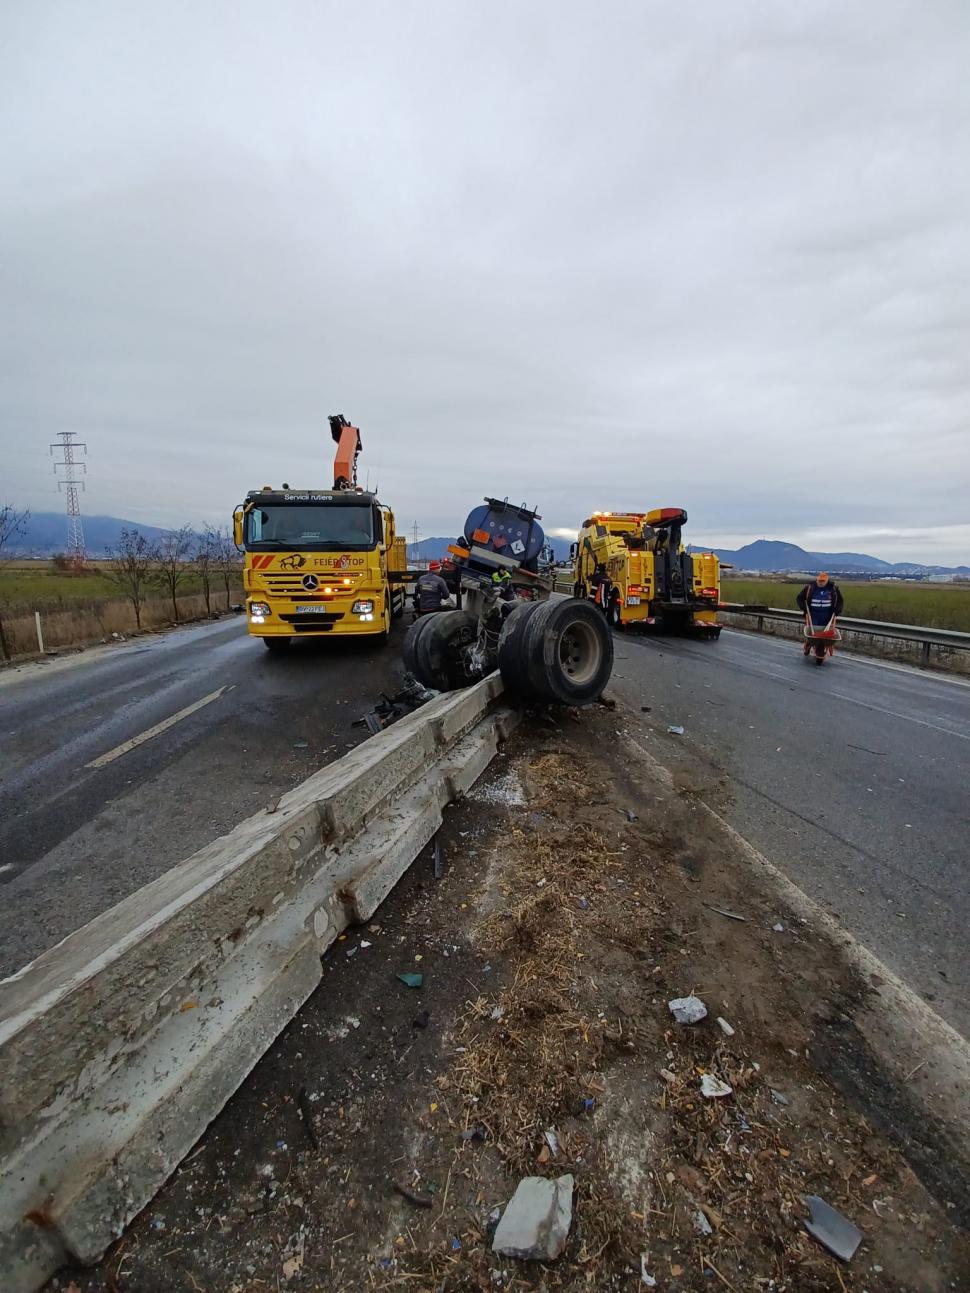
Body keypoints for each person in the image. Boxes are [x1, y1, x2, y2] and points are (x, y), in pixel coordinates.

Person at [796, 571, 844, 664]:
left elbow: (840, 601)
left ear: (826, 580)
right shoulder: (810, 588)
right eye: (819, 581)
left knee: (825, 633)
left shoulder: (833, 589)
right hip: (813, 615)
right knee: (813, 633)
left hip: (827, 616)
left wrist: (837, 611)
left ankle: (820, 645)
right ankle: (810, 642)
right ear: (817, 580)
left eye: (823, 581)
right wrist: (804, 608)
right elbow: (799, 598)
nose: (821, 583)